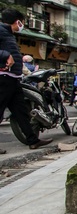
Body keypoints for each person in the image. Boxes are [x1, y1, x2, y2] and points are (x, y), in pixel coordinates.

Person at [0, 8, 52, 150]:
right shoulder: (1, 30)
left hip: (13, 79)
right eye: (21, 22)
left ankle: (32, 140)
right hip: (4, 78)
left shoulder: (8, 34)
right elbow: (4, 53)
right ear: (17, 21)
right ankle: (32, 139)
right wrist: (5, 55)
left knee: (21, 112)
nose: (22, 25)